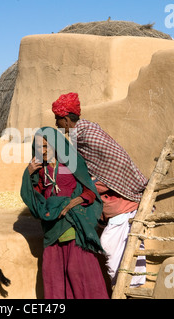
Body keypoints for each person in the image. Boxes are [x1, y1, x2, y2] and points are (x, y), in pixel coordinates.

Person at [52, 92, 148, 287]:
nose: (56, 124)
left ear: (65, 119)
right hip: (113, 204)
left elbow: (115, 163)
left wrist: (88, 187)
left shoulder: (88, 134)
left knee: (110, 250)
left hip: (125, 201)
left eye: (57, 119)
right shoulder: (82, 135)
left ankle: (127, 288)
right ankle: (125, 287)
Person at [20, 127, 109, 299]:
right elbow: (34, 197)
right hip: (52, 226)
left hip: (74, 223)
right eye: (39, 147)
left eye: (46, 146)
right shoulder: (39, 170)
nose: (43, 151)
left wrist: (71, 204)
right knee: (53, 272)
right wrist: (28, 173)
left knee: (78, 270)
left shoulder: (71, 163)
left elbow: (89, 192)